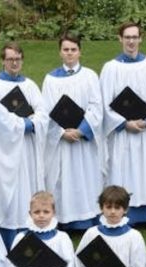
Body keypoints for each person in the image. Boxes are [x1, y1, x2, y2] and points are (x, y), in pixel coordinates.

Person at [101, 22, 146, 229]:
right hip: (123, 133)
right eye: (127, 37)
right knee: (123, 172)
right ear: (120, 39)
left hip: (145, 131)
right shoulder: (110, 68)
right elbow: (105, 103)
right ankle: (124, 214)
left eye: (135, 37)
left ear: (141, 39)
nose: (131, 41)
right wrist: (123, 123)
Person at [0, 41, 48, 249]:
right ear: (2, 60)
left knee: (28, 186)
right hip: (5, 150)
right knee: (7, 192)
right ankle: (7, 235)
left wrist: (32, 122)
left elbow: (42, 112)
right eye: (10, 59)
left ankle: (30, 230)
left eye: (18, 59)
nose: (14, 63)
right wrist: (26, 123)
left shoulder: (29, 85)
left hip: (27, 149)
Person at [42, 33, 103, 231]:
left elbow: (96, 107)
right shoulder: (50, 79)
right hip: (62, 142)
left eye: (73, 49)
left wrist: (82, 130)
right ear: (60, 52)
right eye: (66, 49)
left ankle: (88, 218)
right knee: (63, 179)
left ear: (80, 52)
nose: (69, 53)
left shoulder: (90, 76)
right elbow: (46, 111)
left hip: (83, 140)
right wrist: (61, 132)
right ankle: (65, 220)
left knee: (85, 177)